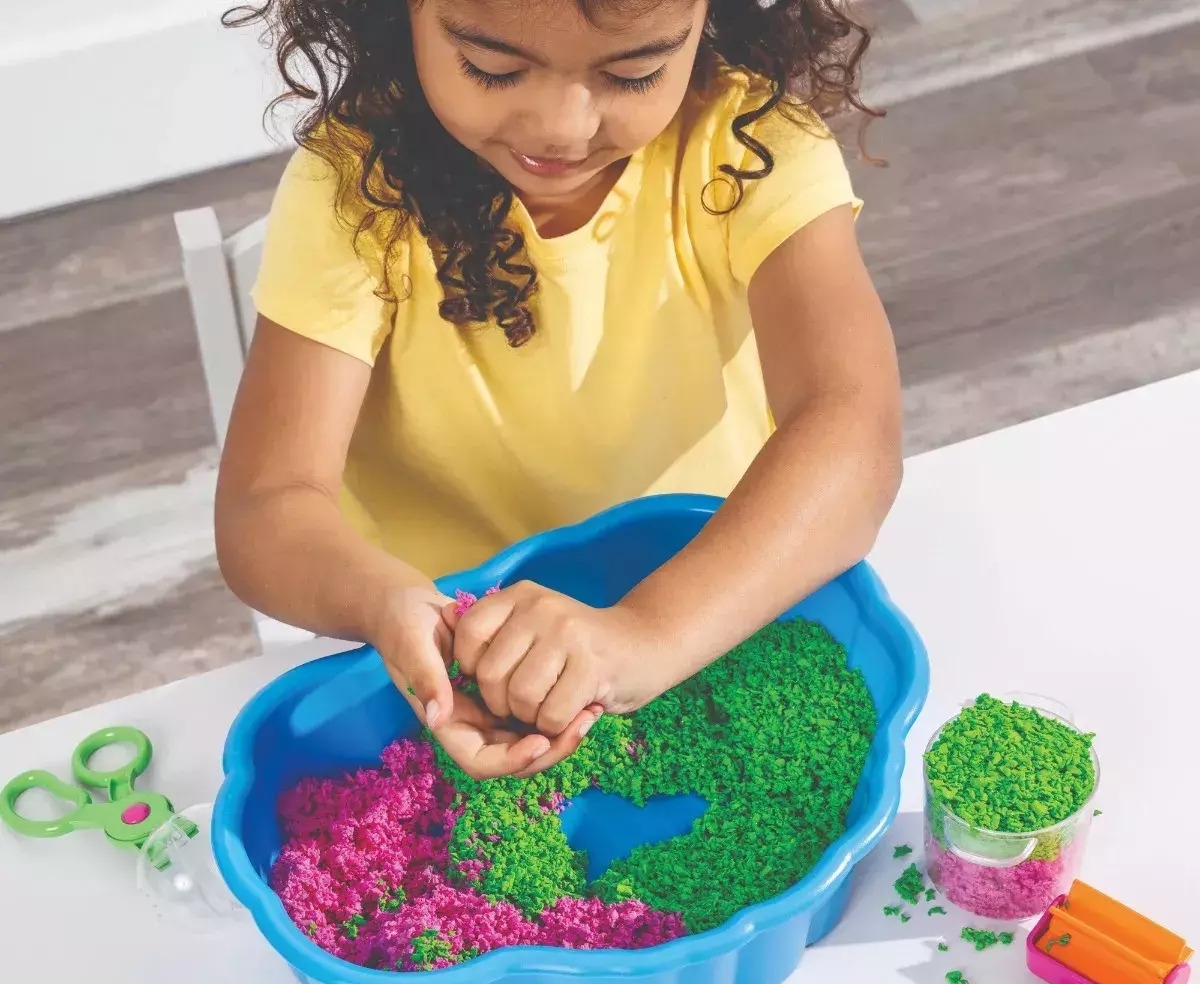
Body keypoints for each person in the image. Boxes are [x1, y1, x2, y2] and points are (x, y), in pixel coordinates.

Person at [215, 0, 902, 782]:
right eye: (493, 68)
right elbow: (265, 508)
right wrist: (390, 605)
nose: (562, 129)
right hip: (449, 655)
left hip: (710, 607)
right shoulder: (354, 185)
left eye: (634, 73)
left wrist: (644, 633)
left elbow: (854, 434)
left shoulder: (751, 149)